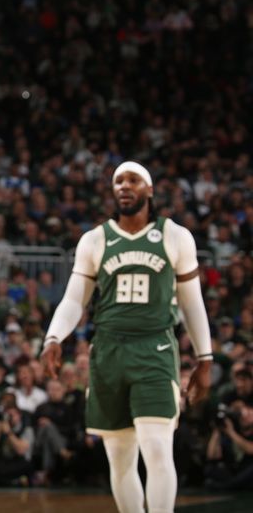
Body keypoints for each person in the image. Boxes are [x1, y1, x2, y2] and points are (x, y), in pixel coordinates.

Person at [41, 162, 213, 513]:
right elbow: (75, 299)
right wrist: (53, 337)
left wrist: (205, 358)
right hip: (108, 351)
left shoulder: (175, 236)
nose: (124, 185)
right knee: (119, 458)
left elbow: (193, 303)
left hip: (155, 348)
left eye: (133, 180)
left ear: (149, 190)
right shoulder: (95, 239)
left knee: (156, 446)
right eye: (118, 180)